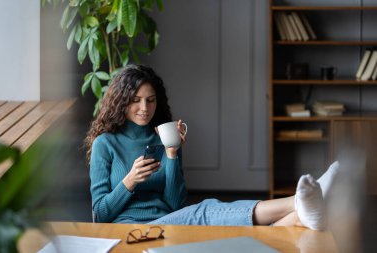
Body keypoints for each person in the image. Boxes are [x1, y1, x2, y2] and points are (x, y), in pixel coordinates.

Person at [85, 64, 339, 230]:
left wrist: (172, 155)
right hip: (131, 230)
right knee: (205, 211)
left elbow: (174, 205)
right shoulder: (104, 144)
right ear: (121, 101)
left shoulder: (163, 137)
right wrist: (129, 181)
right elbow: (100, 215)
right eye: (135, 101)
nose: (144, 108)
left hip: (169, 223)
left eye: (150, 100)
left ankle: (300, 215)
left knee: (210, 222)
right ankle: (297, 202)